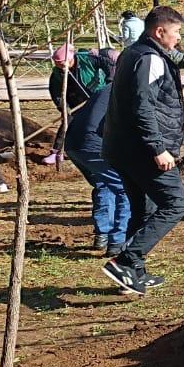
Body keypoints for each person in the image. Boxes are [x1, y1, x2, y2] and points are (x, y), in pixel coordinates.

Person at [101, 6, 184, 295]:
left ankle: (131, 275)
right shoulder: (148, 59)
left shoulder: (133, 53)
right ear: (160, 31)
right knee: (175, 205)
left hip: (122, 148)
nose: (178, 38)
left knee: (143, 210)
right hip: (142, 150)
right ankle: (126, 260)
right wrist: (158, 148)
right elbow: (141, 107)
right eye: (176, 32)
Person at [64, 81, 129, 255]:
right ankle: (118, 242)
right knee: (126, 188)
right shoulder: (127, 90)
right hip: (93, 143)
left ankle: (103, 236)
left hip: (74, 142)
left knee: (104, 183)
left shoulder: (108, 89)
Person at [43, 43, 115, 165]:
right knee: (68, 122)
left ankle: (108, 147)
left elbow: (108, 64)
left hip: (96, 96)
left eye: (61, 62)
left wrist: (110, 81)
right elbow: (55, 92)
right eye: (57, 63)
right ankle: (56, 152)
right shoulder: (57, 74)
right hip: (75, 102)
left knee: (104, 122)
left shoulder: (87, 59)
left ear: (70, 59)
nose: (59, 65)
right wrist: (63, 107)